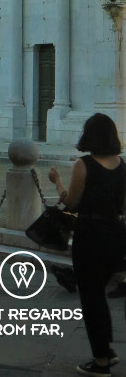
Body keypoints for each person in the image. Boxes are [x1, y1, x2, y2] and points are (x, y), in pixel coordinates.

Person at [49, 113, 126, 376]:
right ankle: (107, 350)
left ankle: (101, 362)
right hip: (116, 235)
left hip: (90, 235)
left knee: (92, 299)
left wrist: (57, 181)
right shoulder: (121, 164)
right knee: (99, 296)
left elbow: (70, 203)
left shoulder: (84, 165)